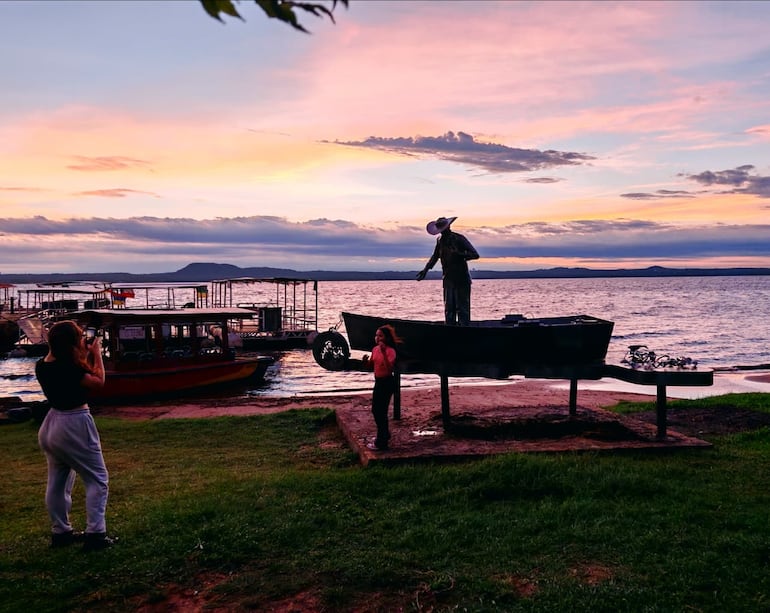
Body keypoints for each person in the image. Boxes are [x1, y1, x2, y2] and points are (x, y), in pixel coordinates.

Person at [35, 320, 115, 551]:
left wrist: (83, 353)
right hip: (74, 421)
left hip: (51, 424)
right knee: (97, 479)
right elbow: (98, 382)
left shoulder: (42, 365)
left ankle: (61, 532)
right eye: (79, 337)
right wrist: (96, 354)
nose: (83, 339)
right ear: (70, 343)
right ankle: (96, 534)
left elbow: (74, 374)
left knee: (57, 482)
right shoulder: (69, 368)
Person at [416, 216, 479, 325]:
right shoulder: (440, 241)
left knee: (463, 309)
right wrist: (425, 270)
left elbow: (475, 254)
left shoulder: (459, 238)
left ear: (448, 227)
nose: (442, 232)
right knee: (449, 309)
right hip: (448, 279)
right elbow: (435, 256)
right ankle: (450, 330)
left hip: (461, 279)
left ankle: (465, 331)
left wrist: (460, 255)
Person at [361, 324, 401, 451]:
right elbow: (372, 365)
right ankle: (385, 434)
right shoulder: (375, 349)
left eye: (380, 336)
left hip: (387, 382)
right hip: (378, 382)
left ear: (387, 338)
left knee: (381, 412)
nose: (377, 338)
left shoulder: (390, 351)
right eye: (376, 335)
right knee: (375, 410)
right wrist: (365, 362)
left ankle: (381, 441)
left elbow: (389, 369)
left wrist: (383, 352)